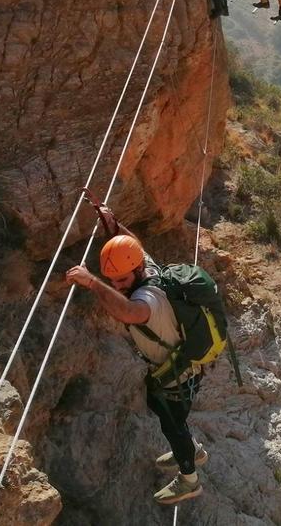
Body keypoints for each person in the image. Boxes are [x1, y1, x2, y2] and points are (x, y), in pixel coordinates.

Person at [65, 190, 208, 506]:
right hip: (181, 363)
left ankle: (189, 478)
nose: (117, 285)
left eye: (120, 280)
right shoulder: (148, 268)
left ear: (134, 273)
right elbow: (136, 247)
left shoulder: (145, 300)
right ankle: (191, 449)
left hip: (178, 374)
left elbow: (129, 313)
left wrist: (92, 283)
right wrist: (113, 224)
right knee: (161, 408)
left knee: (173, 423)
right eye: (111, 280)